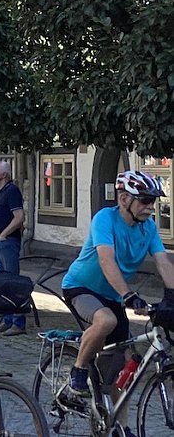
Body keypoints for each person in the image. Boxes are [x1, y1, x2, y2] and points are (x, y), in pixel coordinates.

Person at [61, 170, 174, 397]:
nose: (150, 207)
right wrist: (128, 295)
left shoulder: (149, 227)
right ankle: (78, 370)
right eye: (145, 201)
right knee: (105, 320)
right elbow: (106, 259)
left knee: (121, 370)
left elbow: (163, 262)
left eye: (153, 201)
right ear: (124, 199)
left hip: (112, 296)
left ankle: (118, 427)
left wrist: (172, 295)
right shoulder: (105, 218)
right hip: (81, 287)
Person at [0, 160, 27, 335]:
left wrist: (4, 234)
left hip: (7, 242)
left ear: (4, 175)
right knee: (2, 282)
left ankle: (18, 323)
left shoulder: (11, 191)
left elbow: (19, 217)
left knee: (12, 282)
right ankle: (7, 319)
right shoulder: (1, 192)